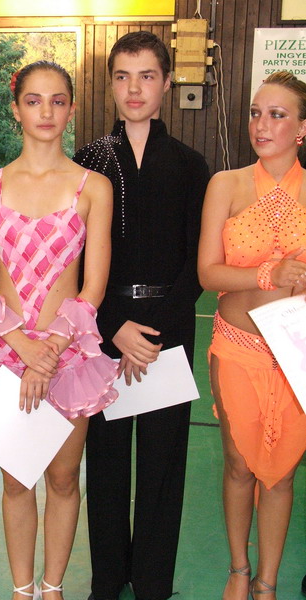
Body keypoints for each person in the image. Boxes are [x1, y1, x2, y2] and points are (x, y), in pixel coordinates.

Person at [0, 61, 118, 600]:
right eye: (33, 100)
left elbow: (93, 287)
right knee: (15, 478)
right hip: (6, 352)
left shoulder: (93, 187)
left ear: (71, 109)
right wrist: (22, 345)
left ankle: (53, 588)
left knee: (65, 479)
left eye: (57, 100)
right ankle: (21, 590)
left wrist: (50, 351)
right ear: (16, 109)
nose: (45, 111)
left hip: (68, 356)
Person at [73, 31, 210, 600]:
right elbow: (77, 259)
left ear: (167, 84)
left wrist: (151, 335)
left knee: (162, 464)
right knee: (106, 464)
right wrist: (113, 327)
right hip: (105, 331)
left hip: (165, 332)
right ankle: (107, 580)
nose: (135, 88)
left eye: (147, 76)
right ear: (111, 85)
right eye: (123, 76)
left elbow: (197, 262)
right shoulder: (88, 163)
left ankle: (153, 582)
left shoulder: (191, 166)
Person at [198, 70, 306, 600]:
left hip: (296, 357)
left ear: (302, 128)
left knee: (282, 473)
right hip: (237, 348)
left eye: (277, 115)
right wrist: (269, 274)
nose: (261, 125)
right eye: (255, 113)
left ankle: (268, 582)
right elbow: (208, 273)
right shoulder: (227, 184)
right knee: (239, 464)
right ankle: (239, 569)